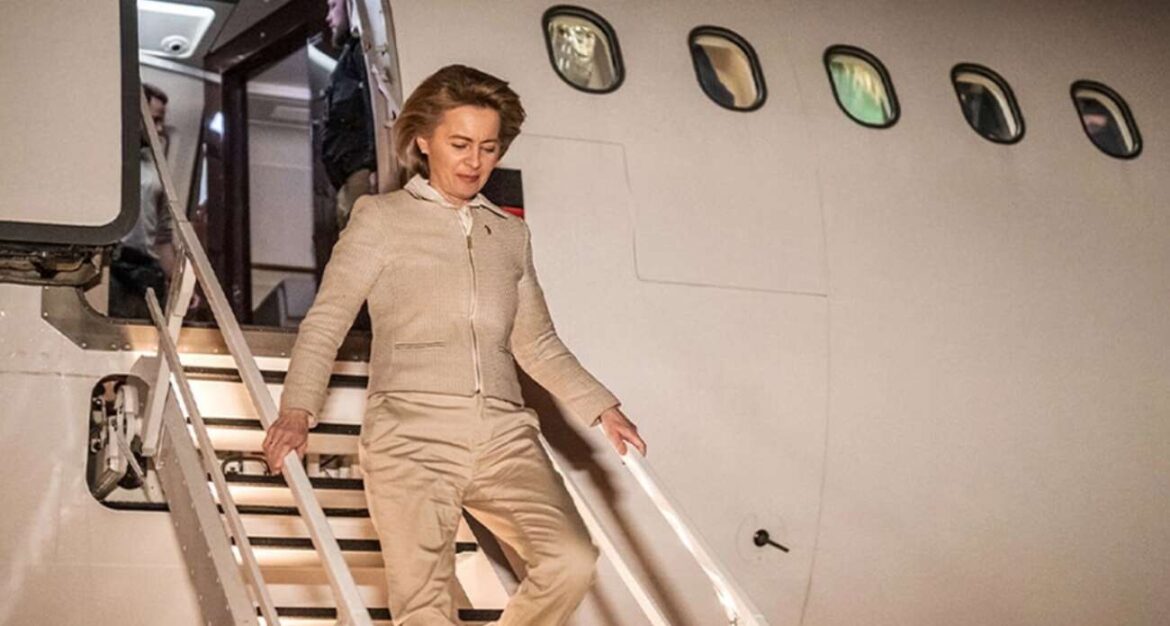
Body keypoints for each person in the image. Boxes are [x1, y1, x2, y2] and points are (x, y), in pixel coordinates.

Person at [263, 64, 646, 625]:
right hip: (410, 434)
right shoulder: (380, 219)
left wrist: (602, 406)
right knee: (424, 607)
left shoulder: (509, 234)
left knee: (570, 560)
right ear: (424, 140)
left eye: (489, 148)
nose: (474, 162)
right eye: (460, 144)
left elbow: (537, 342)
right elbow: (327, 323)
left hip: (503, 434)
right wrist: (297, 410)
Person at [109, 82, 175, 318]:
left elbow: (162, 235)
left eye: (161, 121)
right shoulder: (109, 160)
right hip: (112, 266)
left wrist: (174, 279)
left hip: (145, 268)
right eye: (154, 120)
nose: (159, 129)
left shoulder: (156, 168)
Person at [322, 0, 376, 230]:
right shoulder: (348, 61)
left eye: (333, 6)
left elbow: (373, 110)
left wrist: (374, 166)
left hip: (362, 174)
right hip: (350, 176)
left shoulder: (362, 53)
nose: (328, 17)